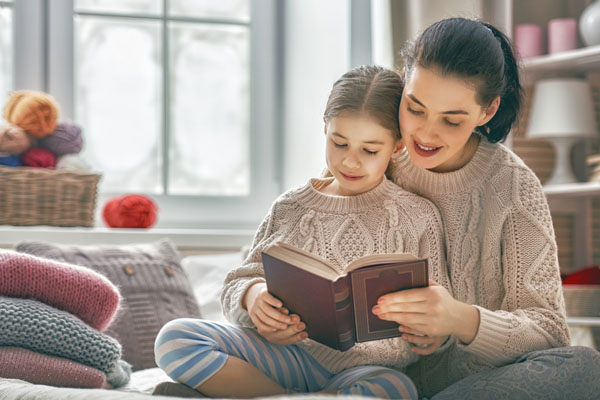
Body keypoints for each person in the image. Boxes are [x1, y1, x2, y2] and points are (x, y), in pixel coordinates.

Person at [152, 65, 450, 399]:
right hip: (285, 357)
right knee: (175, 338)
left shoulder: (418, 216)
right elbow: (238, 281)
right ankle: (285, 395)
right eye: (340, 143)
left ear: (396, 147)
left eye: (369, 150)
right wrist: (254, 299)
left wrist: (433, 335)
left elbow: (441, 309)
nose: (350, 162)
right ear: (325, 129)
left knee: (397, 389)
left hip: (363, 372)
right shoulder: (290, 207)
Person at [372, 17, 600, 399]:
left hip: (481, 385)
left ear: (487, 111)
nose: (426, 133)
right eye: (415, 108)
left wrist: (459, 319)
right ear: (403, 82)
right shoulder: (373, 157)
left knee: (587, 368)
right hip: (380, 374)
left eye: (451, 119)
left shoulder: (513, 186)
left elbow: (548, 333)